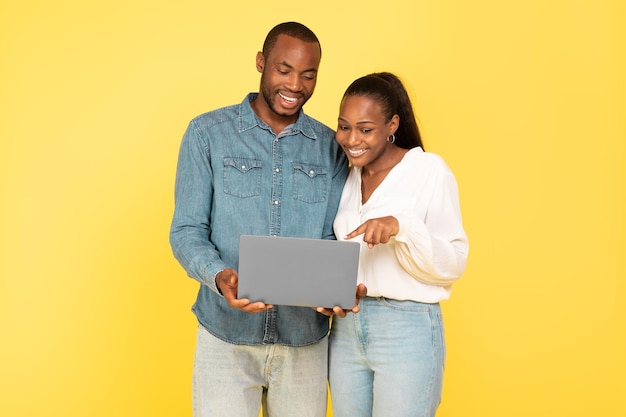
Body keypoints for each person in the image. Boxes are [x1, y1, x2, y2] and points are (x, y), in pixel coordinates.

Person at [169, 22, 353, 417]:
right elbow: (187, 231)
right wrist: (219, 276)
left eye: (308, 74)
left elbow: (334, 236)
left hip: (304, 340)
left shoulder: (331, 148)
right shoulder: (207, 134)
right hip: (225, 336)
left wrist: (334, 289)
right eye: (283, 70)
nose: (295, 85)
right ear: (261, 63)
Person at [328, 72, 469, 417]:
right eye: (344, 127)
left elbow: (454, 263)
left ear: (391, 124)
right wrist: (330, 291)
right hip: (346, 329)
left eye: (365, 129)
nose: (351, 139)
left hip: (406, 327)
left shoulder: (427, 171)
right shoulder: (347, 175)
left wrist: (401, 226)